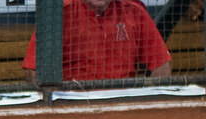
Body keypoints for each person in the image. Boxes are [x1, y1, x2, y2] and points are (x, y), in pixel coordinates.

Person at [22, 0, 172, 83]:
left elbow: (162, 65)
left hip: (122, 100)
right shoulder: (57, 16)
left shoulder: (135, 12)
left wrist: (147, 95)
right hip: (71, 100)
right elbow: (32, 69)